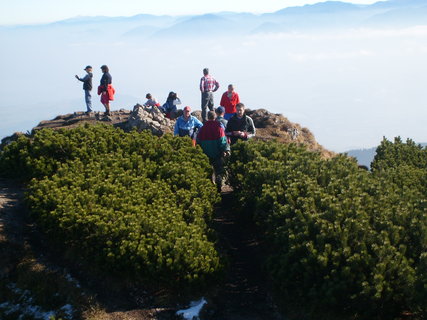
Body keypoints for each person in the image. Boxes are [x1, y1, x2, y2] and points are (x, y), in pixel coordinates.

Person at [197, 111, 230, 192]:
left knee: (208, 171)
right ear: (215, 117)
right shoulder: (219, 127)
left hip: (206, 153)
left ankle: (210, 185)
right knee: (220, 171)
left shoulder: (202, 128)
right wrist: (225, 150)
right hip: (217, 153)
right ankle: (219, 182)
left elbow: (198, 141)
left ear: (208, 117)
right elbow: (222, 141)